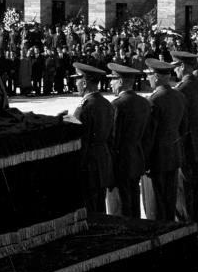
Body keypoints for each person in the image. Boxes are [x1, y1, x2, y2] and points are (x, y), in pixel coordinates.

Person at [140, 59, 187, 222]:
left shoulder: (153, 100)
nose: (148, 79)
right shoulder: (179, 96)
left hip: (155, 158)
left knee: (154, 204)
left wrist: (143, 161)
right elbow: (183, 127)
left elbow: (149, 135)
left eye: (150, 75)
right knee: (169, 200)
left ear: (157, 77)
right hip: (173, 154)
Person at [106, 62, 152, 219]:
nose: (110, 84)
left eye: (112, 79)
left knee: (119, 207)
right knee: (133, 201)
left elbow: (113, 138)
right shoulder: (144, 102)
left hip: (120, 161)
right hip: (137, 158)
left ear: (119, 81)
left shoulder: (117, 105)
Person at [70, 62, 115, 215]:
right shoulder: (107, 104)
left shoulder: (84, 108)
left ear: (84, 82)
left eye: (77, 80)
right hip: (103, 164)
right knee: (101, 209)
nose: (75, 84)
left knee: (90, 212)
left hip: (89, 167)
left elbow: (82, 143)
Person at [172, 49, 198, 224]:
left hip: (185, 144)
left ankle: (187, 224)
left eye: (176, 67)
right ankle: (196, 222)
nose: (175, 71)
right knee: (194, 186)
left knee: (183, 188)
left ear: (182, 66)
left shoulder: (181, 89)